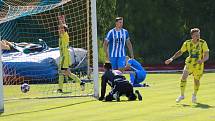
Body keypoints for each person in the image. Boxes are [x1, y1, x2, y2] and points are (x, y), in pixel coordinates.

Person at [165, 28, 209, 103]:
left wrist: (202, 60)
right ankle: (182, 95)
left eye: (199, 35)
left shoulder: (203, 43)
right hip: (189, 63)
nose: (198, 36)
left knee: (196, 81)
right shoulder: (187, 43)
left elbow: (207, 55)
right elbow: (180, 52)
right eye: (196, 35)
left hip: (199, 65)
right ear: (192, 36)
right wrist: (171, 59)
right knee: (183, 77)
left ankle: (194, 95)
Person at [57, 14, 85, 93]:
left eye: (61, 29)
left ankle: (60, 89)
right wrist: (63, 21)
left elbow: (63, 27)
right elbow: (63, 27)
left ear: (64, 30)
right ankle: (81, 83)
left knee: (62, 72)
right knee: (67, 73)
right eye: (59, 29)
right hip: (64, 56)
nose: (60, 30)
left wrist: (61, 20)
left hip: (64, 57)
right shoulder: (62, 36)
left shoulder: (65, 35)